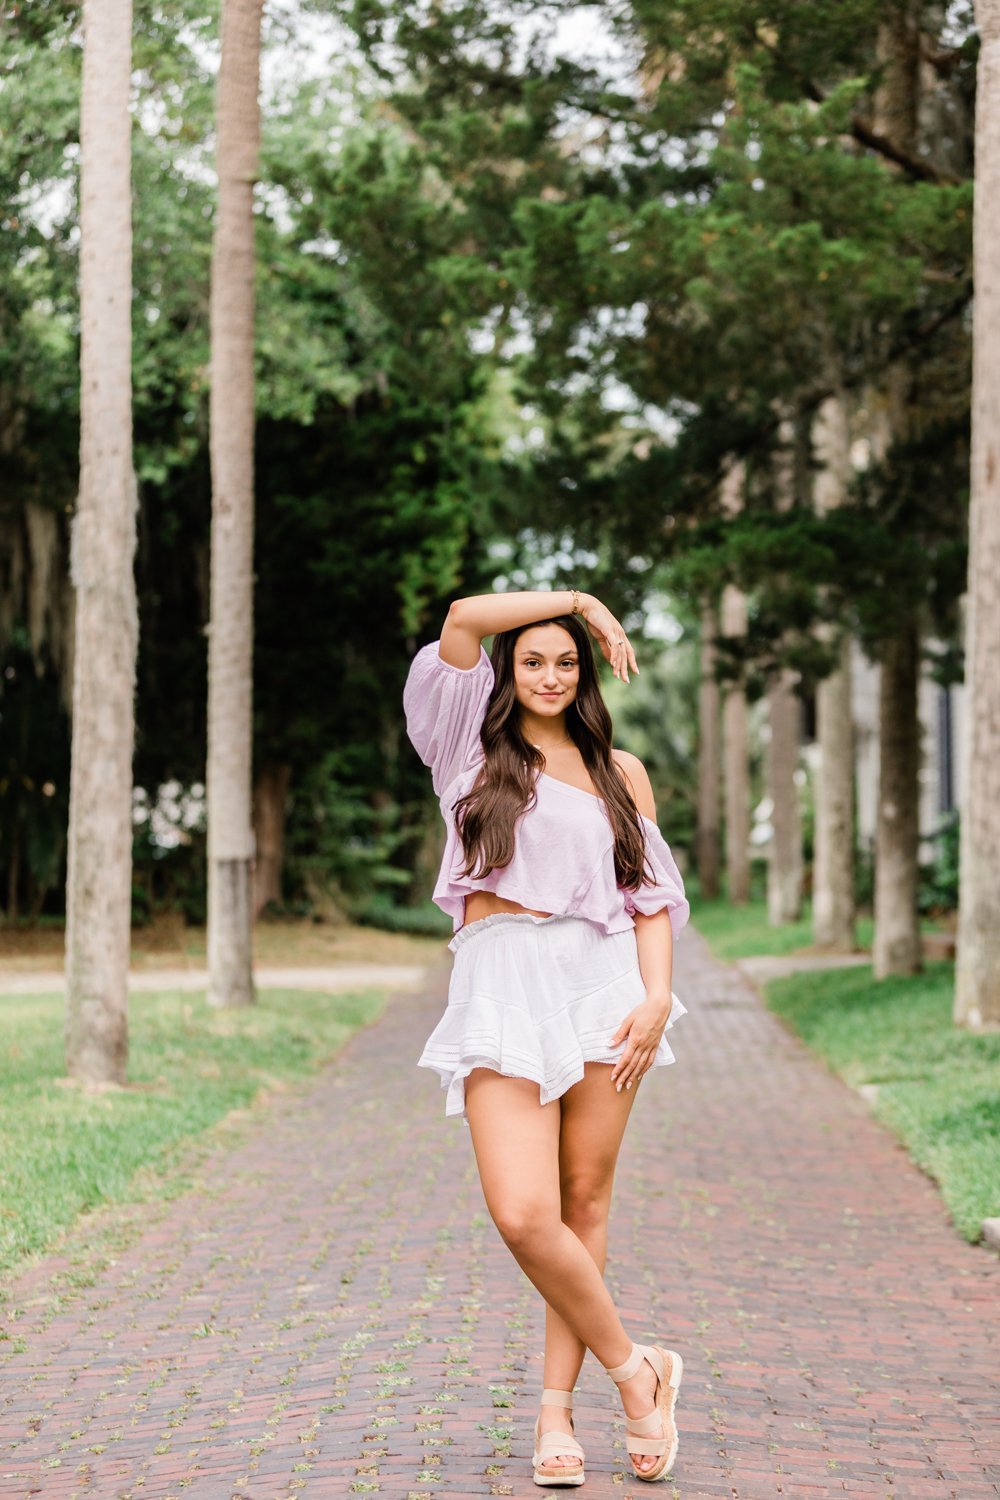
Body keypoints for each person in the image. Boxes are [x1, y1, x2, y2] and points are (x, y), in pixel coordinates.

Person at [402, 587, 691, 1487]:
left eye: (567, 660)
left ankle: (555, 1419)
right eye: (534, 660)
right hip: (500, 979)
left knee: (583, 1204)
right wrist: (579, 604)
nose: (552, 675)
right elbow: (460, 619)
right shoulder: (466, 745)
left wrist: (656, 996)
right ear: (508, 671)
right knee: (525, 1214)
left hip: (602, 990)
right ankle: (637, 1370)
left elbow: (649, 898)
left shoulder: (621, 773)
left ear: (586, 674)